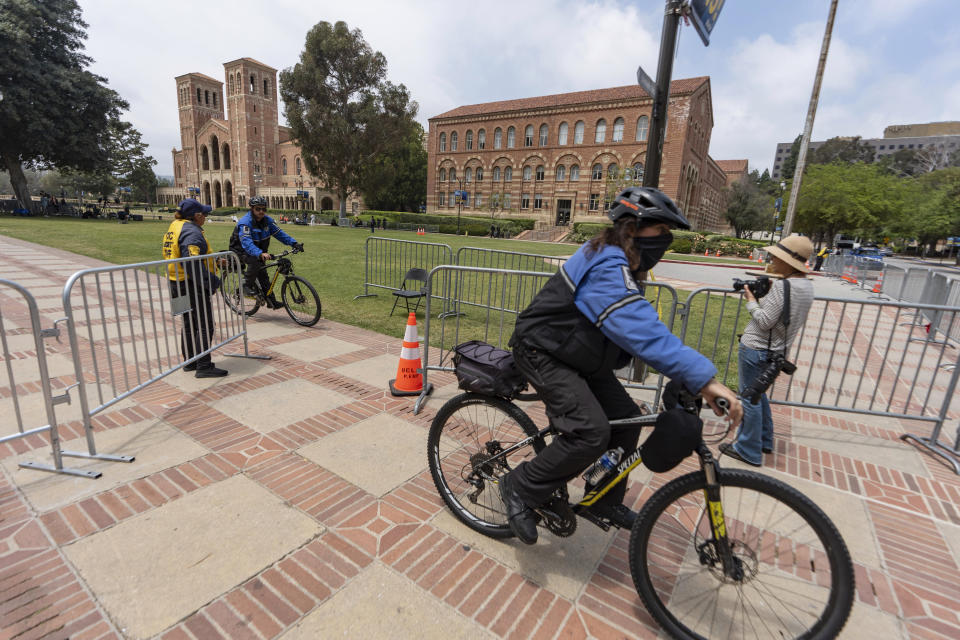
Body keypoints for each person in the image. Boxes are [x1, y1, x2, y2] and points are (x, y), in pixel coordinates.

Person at [501, 187, 743, 544]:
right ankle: (519, 486)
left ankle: (603, 499)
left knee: (627, 421)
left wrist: (681, 374)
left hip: (577, 356)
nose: (666, 242)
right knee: (590, 431)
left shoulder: (622, 263)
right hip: (544, 350)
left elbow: (639, 327)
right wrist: (704, 379)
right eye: (661, 233)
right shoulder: (606, 264)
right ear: (633, 229)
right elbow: (637, 326)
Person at [720, 235, 814, 467]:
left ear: (789, 262)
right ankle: (764, 440)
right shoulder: (806, 286)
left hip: (757, 349)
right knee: (758, 396)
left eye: (776, 255)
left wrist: (750, 300)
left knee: (749, 399)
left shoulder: (783, 286)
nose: (771, 258)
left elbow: (764, 321)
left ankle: (748, 450)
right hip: (776, 352)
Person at [162, 199, 228, 378]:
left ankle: (191, 361)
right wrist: (211, 282)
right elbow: (193, 263)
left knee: (189, 324)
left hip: (176, 283)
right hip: (191, 284)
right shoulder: (191, 232)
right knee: (205, 325)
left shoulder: (176, 225)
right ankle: (203, 365)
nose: (206, 217)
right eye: (204, 214)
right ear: (196, 216)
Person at [230, 195, 302, 308]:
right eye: (258, 209)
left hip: (259, 252)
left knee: (263, 276)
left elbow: (280, 234)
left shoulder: (267, 221)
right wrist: (259, 253)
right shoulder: (245, 222)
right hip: (241, 250)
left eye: (263, 209)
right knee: (255, 262)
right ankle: (245, 286)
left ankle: (271, 301)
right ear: (252, 209)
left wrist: (294, 243)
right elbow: (247, 243)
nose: (261, 211)